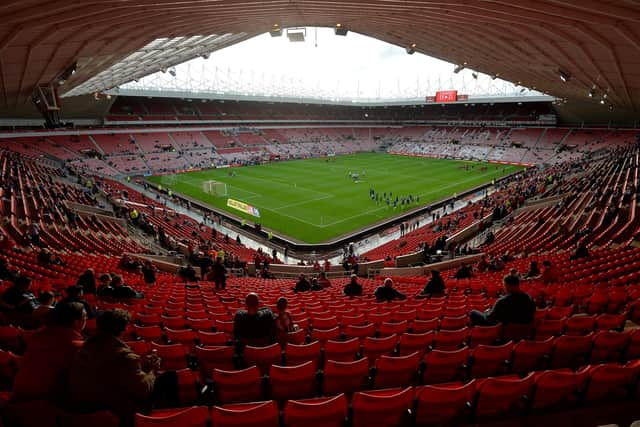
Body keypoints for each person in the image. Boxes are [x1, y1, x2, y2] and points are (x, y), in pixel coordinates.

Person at [69, 309, 178, 427]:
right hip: (119, 410)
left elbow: (115, 373)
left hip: (88, 406)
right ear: (123, 329)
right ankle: (169, 419)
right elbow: (144, 389)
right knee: (170, 376)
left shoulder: (85, 348)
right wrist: (152, 370)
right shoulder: (124, 357)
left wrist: (143, 368)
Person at [10, 302, 86, 404]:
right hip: (46, 406)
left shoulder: (36, 338)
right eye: (85, 316)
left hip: (18, 398)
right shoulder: (77, 347)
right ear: (77, 322)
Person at [469, 274, 535, 326]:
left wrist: (487, 313)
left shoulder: (503, 301)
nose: (504, 288)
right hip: (525, 327)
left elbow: (489, 318)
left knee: (473, 312)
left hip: (506, 329)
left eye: (505, 285)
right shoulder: (529, 297)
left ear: (509, 286)